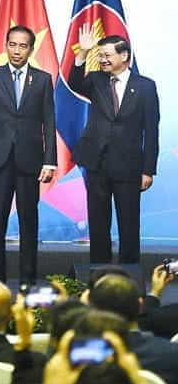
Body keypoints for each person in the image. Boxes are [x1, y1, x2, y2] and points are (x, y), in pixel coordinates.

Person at [67, 25, 159, 264]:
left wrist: (148, 169)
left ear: (124, 56)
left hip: (129, 166)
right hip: (97, 163)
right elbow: (74, 83)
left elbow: (151, 131)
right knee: (98, 223)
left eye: (107, 55)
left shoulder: (145, 86)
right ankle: (99, 273)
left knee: (129, 224)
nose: (103, 60)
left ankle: (129, 275)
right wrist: (83, 54)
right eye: (101, 55)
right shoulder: (96, 80)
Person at [0, 25, 57, 283]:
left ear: (31, 50)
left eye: (23, 46)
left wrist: (50, 161)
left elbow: (49, 121)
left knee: (28, 221)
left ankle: (27, 281)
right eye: (12, 44)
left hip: (29, 159)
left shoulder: (42, 79)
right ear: (6, 45)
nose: (17, 50)